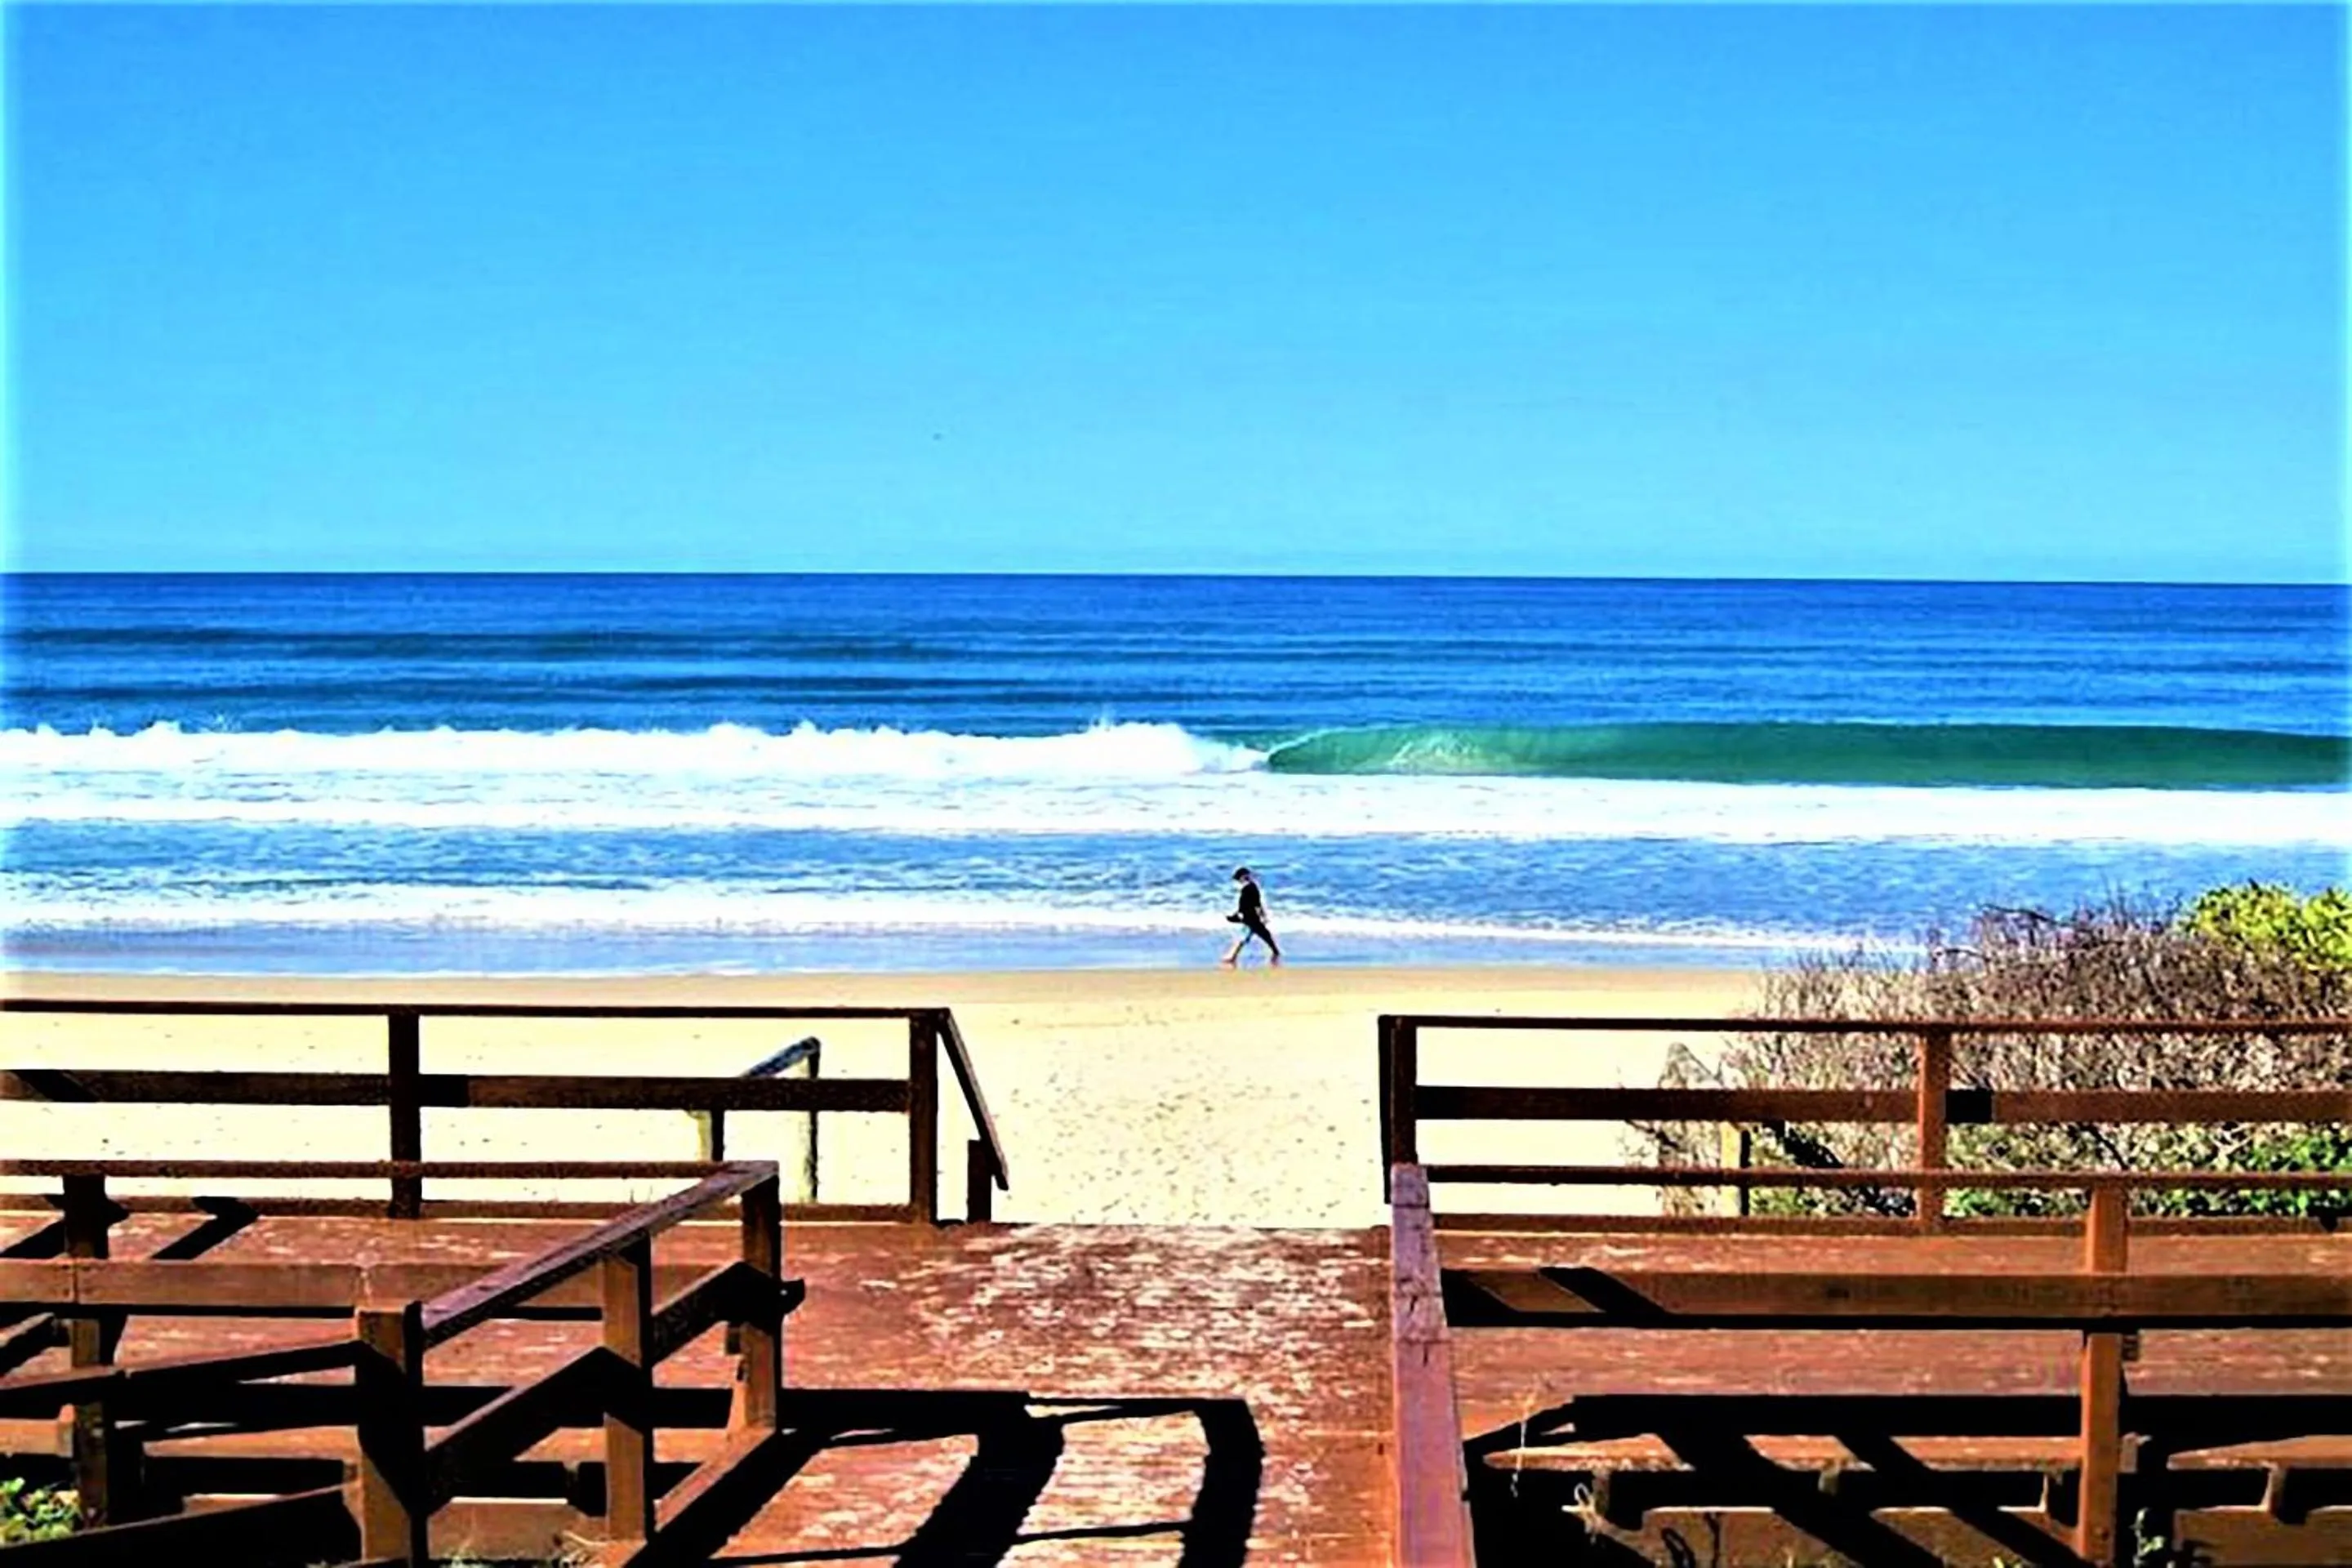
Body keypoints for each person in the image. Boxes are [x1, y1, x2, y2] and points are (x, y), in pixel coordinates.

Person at [1221, 866, 1282, 967]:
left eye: (1239, 879)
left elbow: (1254, 904)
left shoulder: (1249, 888)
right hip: (1250, 917)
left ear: (1243, 878)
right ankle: (1276, 952)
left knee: (1245, 937)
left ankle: (1232, 957)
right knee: (1264, 935)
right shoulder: (1251, 887)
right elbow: (1251, 905)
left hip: (1250, 918)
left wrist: (1262, 915)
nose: (1239, 881)